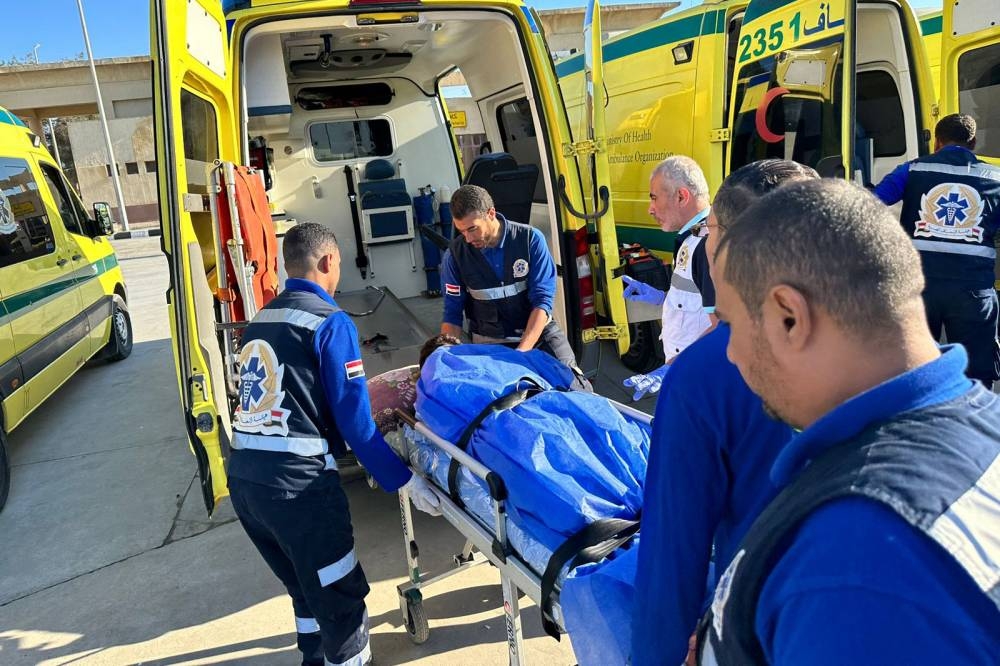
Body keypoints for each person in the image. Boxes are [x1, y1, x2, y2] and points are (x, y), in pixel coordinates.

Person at [701, 179, 1000, 665]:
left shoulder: (855, 567)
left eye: (731, 325)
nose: (731, 353)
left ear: (788, 316)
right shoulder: (982, 422)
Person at [227, 223, 441, 666]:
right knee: (341, 602)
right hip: (299, 492)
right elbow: (356, 424)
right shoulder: (330, 323)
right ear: (328, 262)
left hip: (247, 487)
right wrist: (404, 481)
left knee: (307, 594)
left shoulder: (259, 321)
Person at [631, 160, 817, 666]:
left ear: (732, 246)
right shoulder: (893, 346)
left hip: (764, 625)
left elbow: (673, 558)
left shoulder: (710, 377)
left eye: (712, 229)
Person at [874, 113, 1000, 386]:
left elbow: (871, 203)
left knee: (916, 368)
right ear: (974, 142)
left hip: (919, 286)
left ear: (937, 143)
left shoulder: (912, 170)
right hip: (973, 290)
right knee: (975, 376)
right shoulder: (996, 178)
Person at [440, 184, 591, 390]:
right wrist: (442, 358)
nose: (468, 238)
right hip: (490, 342)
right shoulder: (455, 256)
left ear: (491, 213)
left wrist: (520, 355)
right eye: (461, 231)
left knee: (577, 390)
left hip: (538, 336)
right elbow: (452, 314)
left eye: (472, 228)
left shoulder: (530, 240)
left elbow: (542, 302)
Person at [621, 156, 718, 401]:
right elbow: (698, 300)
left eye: (654, 197)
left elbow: (725, 327)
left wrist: (672, 368)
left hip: (700, 379)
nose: (650, 208)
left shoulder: (707, 243)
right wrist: (663, 298)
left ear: (681, 196)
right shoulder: (695, 238)